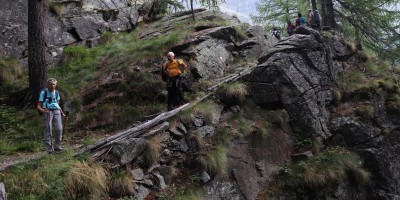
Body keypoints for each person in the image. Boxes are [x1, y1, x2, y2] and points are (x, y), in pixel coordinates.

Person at [37, 78, 67, 153]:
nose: (52, 85)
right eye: (50, 84)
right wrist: (43, 111)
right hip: (47, 111)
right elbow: (38, 106)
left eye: (54, 84)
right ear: (47, 85)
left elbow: (57, 104)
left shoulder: (57, 93)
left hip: (56, 111)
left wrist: (63, 114)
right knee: (48, 130)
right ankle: (49, 149)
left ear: (56, 85)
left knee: (59, 129)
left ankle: (57, 146)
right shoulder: (43, 93)